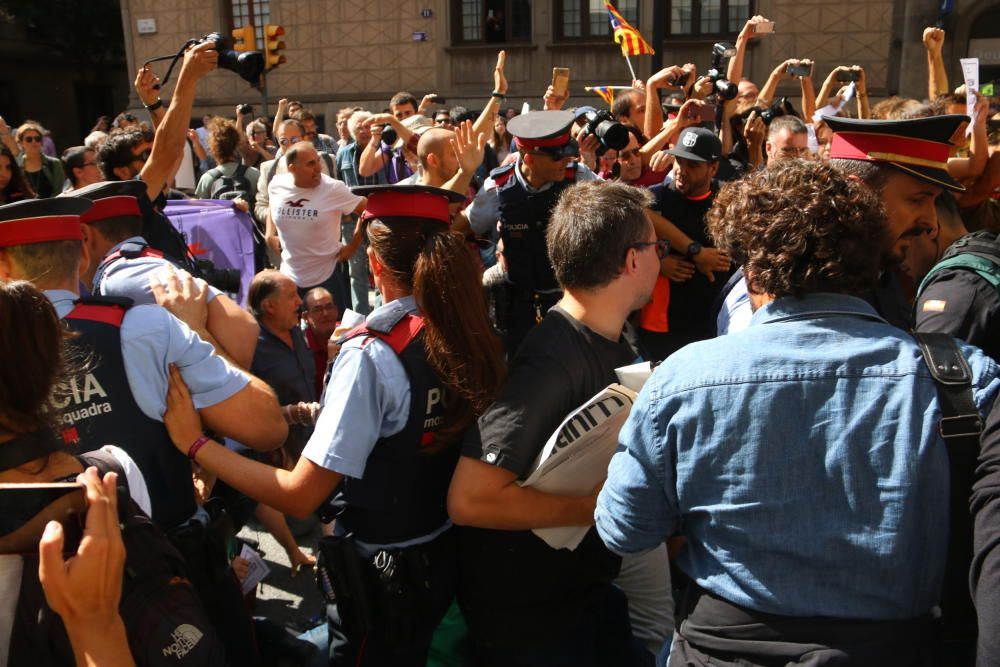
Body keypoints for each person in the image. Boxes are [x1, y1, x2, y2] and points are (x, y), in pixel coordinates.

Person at [595, 159, 1000, 665]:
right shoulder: (962, 379)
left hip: (720, 650)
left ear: (754, 269)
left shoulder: (682, 378)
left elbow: (624, 528)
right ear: (873, 258)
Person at [161, 184, 506, 666]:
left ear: (375, 264)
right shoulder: (470, 326)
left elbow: (301, 493)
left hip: (385, 576)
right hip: (450, 553)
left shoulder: (373, 352)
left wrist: (195, 444)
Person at [0, 197, 286, 664]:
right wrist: (195, 332)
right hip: (173, 584)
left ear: (3, 265)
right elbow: (268, 426)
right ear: (84, 250)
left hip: (35, 612)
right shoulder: (145, 327)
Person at [448, 181, 665, 666]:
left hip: (576, 594)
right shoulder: (552, 357)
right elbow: (470, 498)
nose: (659, 258)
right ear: (632, 261)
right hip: (530, 617)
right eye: (657, 247)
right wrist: (595, 507)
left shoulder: (603, 337)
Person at [73, 179, 260, 370]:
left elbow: (243, 328)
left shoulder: (126, 277)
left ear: (85, 235)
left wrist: (221, 388)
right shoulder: (125, 272)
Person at [465, 109, 600, 354]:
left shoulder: (580, 178)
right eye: (558, 158)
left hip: (571, 301)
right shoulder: (496, 188)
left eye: (568, 155)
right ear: (529, 159)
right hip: (518, 303)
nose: (566, 162)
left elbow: (617, 211)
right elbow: (470, 226)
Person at [266, 142, 367, 312]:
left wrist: (352, 247)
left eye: (318, 161)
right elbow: (272, 204)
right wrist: (269, 233)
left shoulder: (333, 188)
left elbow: (368, 209)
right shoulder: (277, 185)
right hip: (290, 277)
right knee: (293, 334)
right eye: (310, 164)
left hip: (327, 276)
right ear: (292, 168)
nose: (318, 168)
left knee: (332, 334)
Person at [247, 269, 318, 462]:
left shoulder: (295, 331)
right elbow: (250, 410)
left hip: (314, 441)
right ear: (269, 305)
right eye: (291, 295)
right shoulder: (250, 345)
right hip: (281, 456)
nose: (299, 301)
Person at [302, 286, 340, 397]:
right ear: (306, 317)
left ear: (337, 310)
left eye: (329, 307)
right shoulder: (302, 346)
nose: (325, 313)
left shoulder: (349, 335)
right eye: (317, 310)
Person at [15, 122, 65, 198]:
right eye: (29, 139)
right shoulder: (17, 166)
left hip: (52, 207)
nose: (34, 141)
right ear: (21, 143)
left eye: (37, 139)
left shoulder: (54, 163)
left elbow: (58, 192)